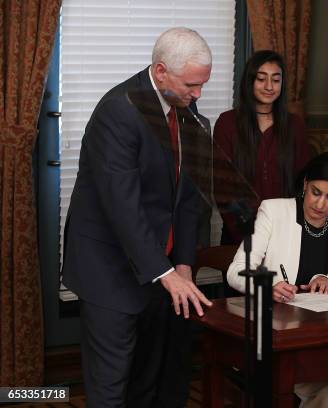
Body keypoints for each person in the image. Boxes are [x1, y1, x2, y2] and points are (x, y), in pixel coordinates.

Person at [61, 27, 213, 407]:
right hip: (109, 269)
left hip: (159, 270)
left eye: (201, 86)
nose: (198, 95)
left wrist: (183, 265)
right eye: (191, 85)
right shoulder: (118, 111)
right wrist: (164, 273)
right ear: (161, 71)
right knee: (111, 387)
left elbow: (188, 199)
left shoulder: (187, 112)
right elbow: (122, 207)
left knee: (151, 381)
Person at [226, 152, 328, 408]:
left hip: (322, 340)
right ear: (304, 184)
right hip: (276, 339)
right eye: (315, 192)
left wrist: (326, 279)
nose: (320, 204)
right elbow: (236, 270)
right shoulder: (273, 211)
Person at [213, 50, 311, 245]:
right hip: (239, 236)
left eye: (276, 80)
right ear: (250, 82)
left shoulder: (295, 125)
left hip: (287, 234)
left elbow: (304, 183)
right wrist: (248, 235)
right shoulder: (227, 123)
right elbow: (222, 188)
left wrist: (291, 229)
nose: (269, 86)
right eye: (261, 79)